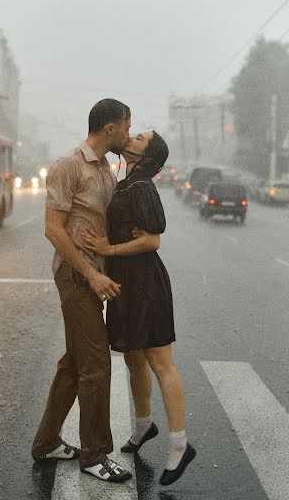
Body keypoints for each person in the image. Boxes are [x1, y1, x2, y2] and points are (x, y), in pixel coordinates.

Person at [82, 130, 196, 486]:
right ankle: (143, 426)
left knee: (161, 363)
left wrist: (108, 249)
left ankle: (180, 443)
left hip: (145, 284)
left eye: (139, 137)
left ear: (146, 155)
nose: (129, 137)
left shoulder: (142, 185)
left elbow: (152, 239)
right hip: (127, 284)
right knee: (133, 358)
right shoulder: (127, 180)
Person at [32, 98, 134, 483]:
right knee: (96, 365)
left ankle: (46, 443)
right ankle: (95, 455)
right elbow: (52, 228)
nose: (127, 133)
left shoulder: (106, 169)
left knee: (74, 364)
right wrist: (91, 275)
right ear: (110, 127)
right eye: (126, 126)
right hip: (77, 279)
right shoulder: (69, 166)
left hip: (94, 276)